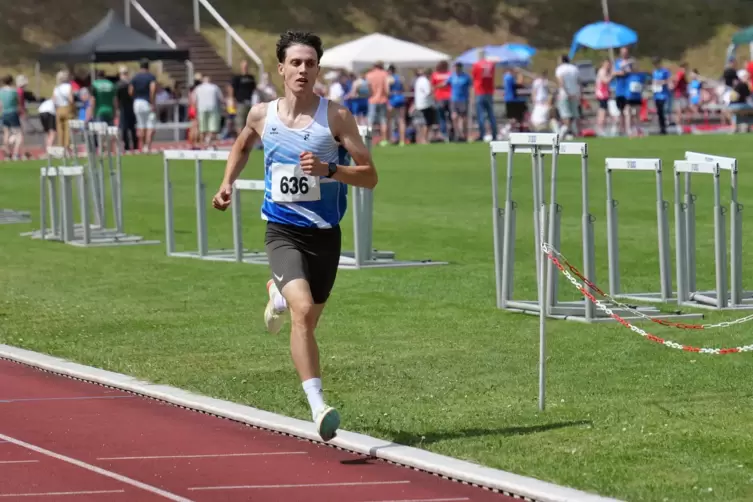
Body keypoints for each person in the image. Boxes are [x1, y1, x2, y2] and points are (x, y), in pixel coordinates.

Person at [211, 30, 378, 442]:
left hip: (325, 236)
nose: (303, 70)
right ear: (281, 68)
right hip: (282, 230)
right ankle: (319, 406)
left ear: (318, 68)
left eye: (311, 63)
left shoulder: (336, 117)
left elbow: (370, 176)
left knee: (309, 319)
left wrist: (330, 170)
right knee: (302, 313)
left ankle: (276, 291)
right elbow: (243, 146)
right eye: (296, 63)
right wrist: (227, 183)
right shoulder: (261, 115)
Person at [129, 59, 157, 152]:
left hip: (137, 102)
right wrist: (152, 102)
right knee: (150, 125)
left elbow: (130, 91)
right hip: (147, 102)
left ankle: (143, 144)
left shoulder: (135, 77)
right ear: (148, 66)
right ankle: (147, 146)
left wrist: (135, 97)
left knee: (141, 124)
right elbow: (152, 89)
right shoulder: (151, 77)